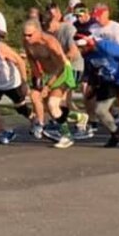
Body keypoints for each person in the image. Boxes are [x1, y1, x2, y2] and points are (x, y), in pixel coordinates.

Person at [21, 20, 78, 149]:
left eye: (30, 35)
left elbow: (61, 65)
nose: (26, 38)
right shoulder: (27, 43)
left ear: (38, 32)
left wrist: (48, 86)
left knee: (53, 103)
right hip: (47, 74)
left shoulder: (50, 42)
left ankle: (67, 136)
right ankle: (79, 117)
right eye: (24, 35)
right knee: (41, 101)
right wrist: (37, 81)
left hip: (62, 72)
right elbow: (32, 62)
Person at [80, 27, 119, 148]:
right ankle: (116, 133)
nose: (79, 51)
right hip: (109, 80)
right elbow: (93, 71)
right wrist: (93, 87)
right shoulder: (86, 55)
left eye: (81, 48)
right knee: (100, 110)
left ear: (89, 44)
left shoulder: (105, 46)